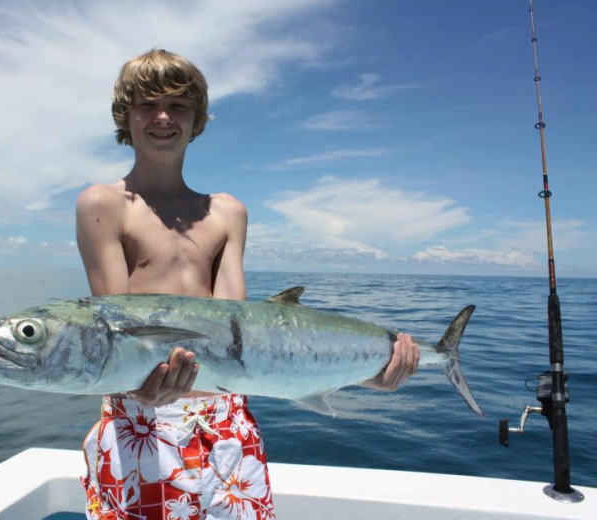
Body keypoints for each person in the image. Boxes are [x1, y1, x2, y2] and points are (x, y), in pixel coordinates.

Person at [76, 49, 419, 520]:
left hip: (228, 426)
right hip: (141, 420)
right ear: (125, 116)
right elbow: (110, 331)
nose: (162, 117)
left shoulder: (227, 212)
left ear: (196, 120)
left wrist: (364, 373)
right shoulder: (103, 204)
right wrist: (139, 390)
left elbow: (239, 332)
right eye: (146, 104)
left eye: (178, 106)